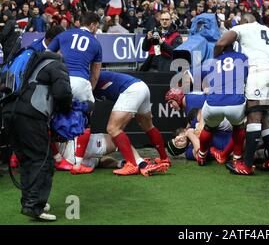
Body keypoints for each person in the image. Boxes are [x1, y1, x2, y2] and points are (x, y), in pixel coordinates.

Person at [214, 13, 269, 175]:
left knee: (253, 117)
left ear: (246, 21)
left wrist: (217, 58)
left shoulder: (242, 27)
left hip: (257, 72)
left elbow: (221, 43)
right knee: (262, 118)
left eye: (240, 21)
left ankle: (246, 165)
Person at [1, 50, 73, 221]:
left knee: (27, 159)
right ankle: (34, 205)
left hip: (8, 112)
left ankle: (29, 201)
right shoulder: (56, 65)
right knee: (42, 160)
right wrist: (65, 110)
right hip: (31, 114)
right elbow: (63, 93)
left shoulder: (29, 66)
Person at [47, 11, 102, 174]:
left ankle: (57, 159)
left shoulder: (64, 35)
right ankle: (77, 164)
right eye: (97, 27)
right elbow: (96, 74)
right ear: (92, 25)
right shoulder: (96, 43)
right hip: (81, 81)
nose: (96, 30)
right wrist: (88, 90)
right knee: (86, 120)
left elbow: (47, 57)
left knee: (49, 119)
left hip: (60, 80)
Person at [92, 71, 170, 176]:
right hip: (141, 87)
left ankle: (131, 165)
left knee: (113, 128)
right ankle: (164, 159)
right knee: (148, 126)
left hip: (131, 90)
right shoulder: (89, 78)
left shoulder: (88, 80)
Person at [196, 45, 248, 166]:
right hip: (235, 103)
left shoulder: (212, 61)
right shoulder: (242, 57)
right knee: (239, 127)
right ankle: (237, 158)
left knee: (208, 127)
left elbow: (196, 75)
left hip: (214, 102)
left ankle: (201, 155)